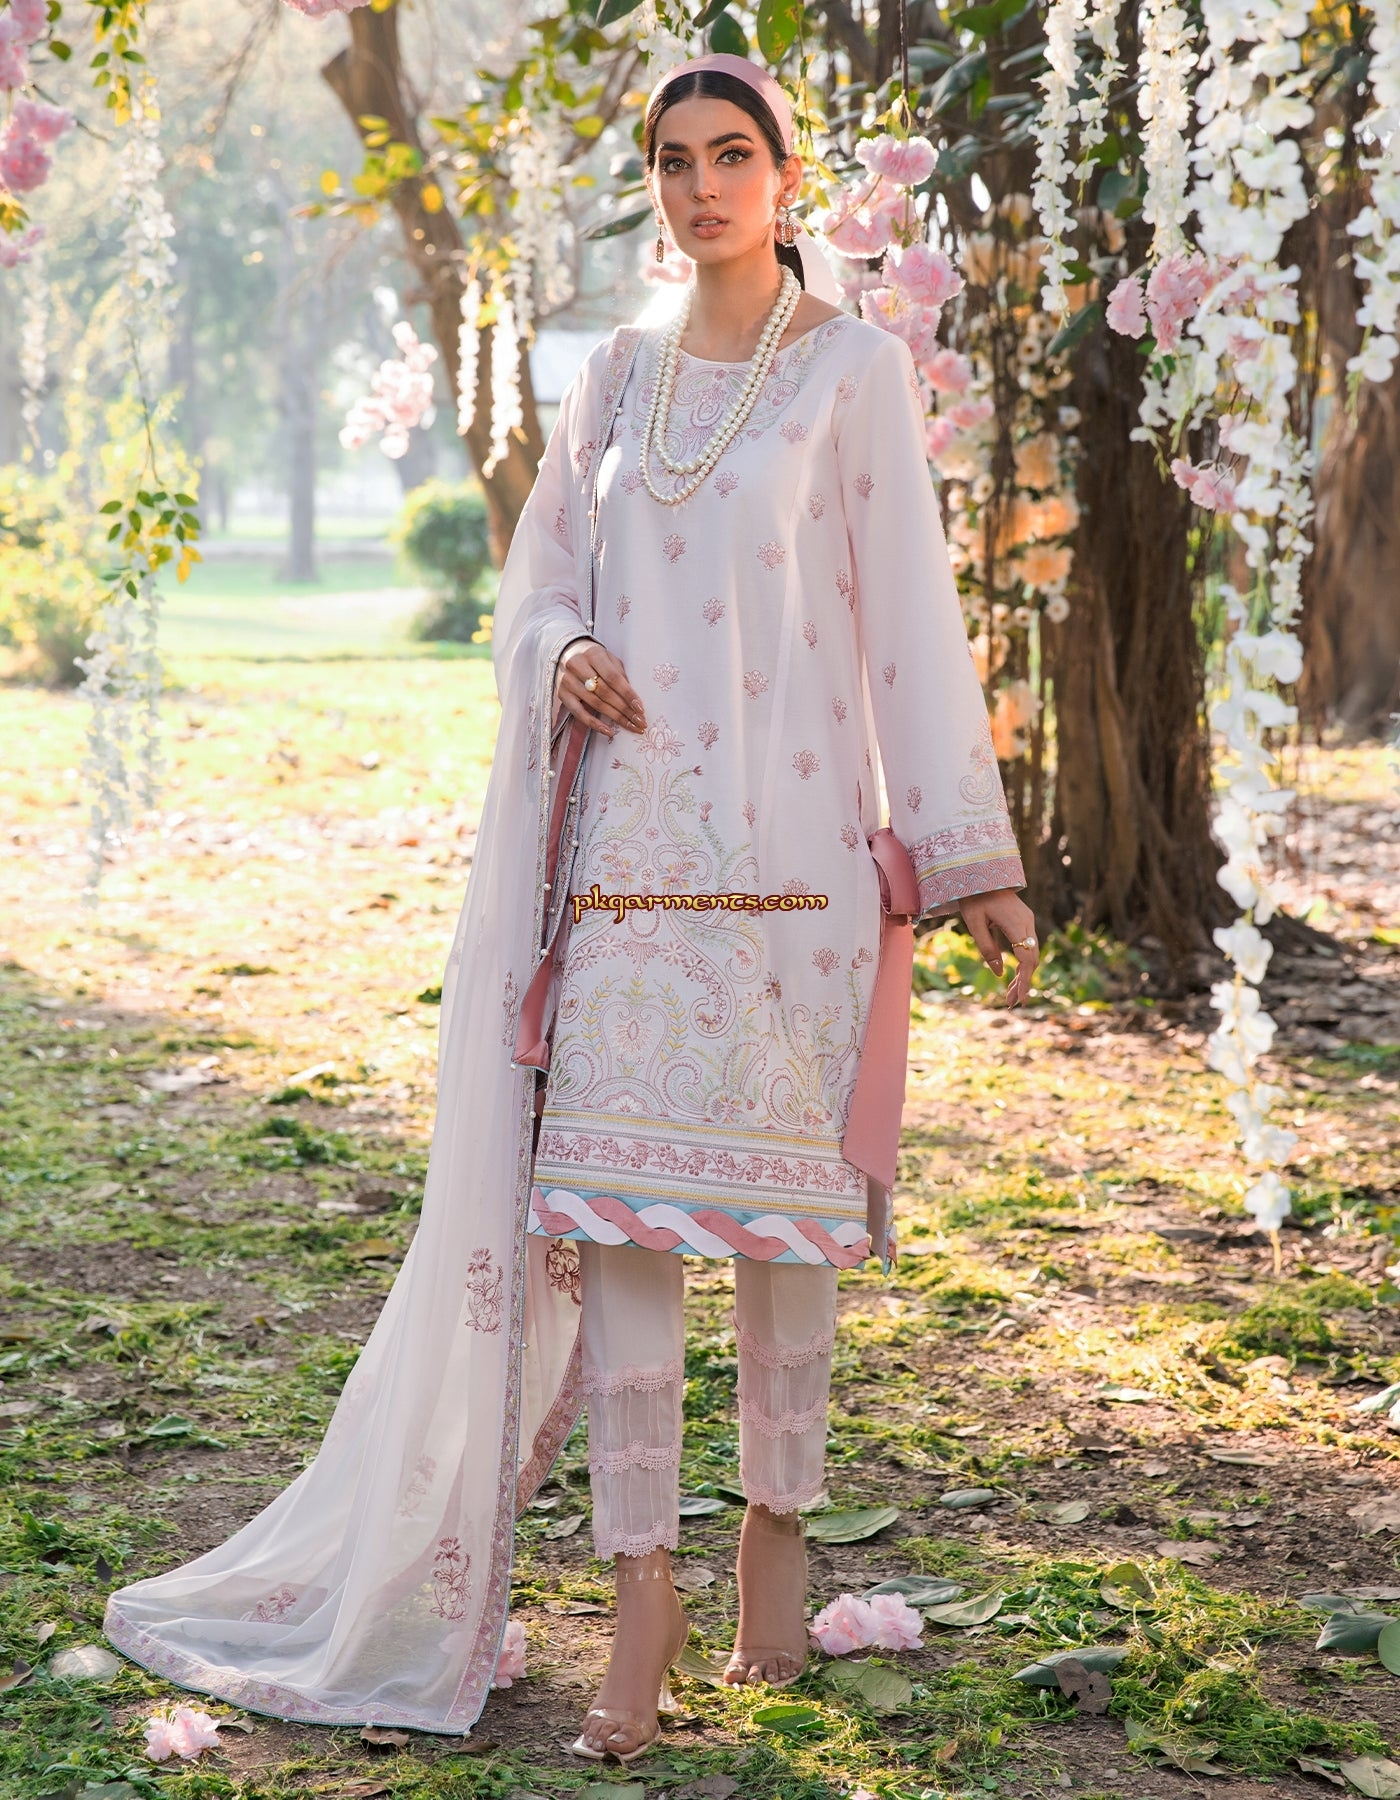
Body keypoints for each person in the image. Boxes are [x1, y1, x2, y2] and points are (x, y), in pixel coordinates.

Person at [102, 49, 1036, 1768]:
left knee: (783, 1237)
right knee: (621, 1232)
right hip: (623, 877)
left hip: (795, 873)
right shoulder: (613, 376)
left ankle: (774, 1547)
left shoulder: (852, 373)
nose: (702, 188)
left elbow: (909, 616)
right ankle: (639, 1595)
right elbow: (538, 583)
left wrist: (971, 859)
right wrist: (568, 650)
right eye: (674, 160)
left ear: (785, 176)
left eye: (733, 155)